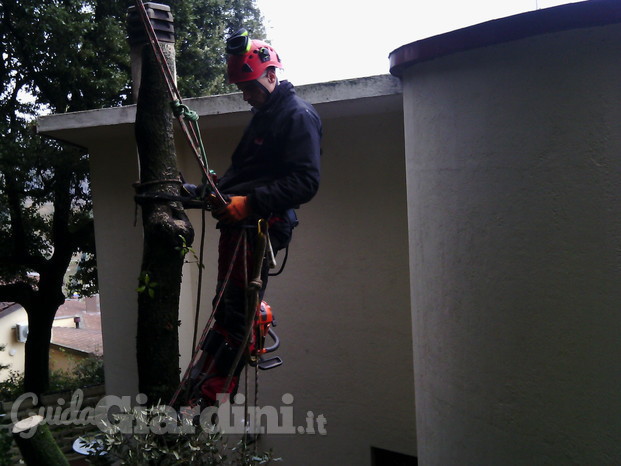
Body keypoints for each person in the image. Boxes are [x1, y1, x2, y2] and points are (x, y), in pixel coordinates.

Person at [191, 29, 322, 406]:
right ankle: (206, 377)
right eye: (242, 88)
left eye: (249, 87)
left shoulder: (297, 116)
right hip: (243, 224)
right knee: (224, 303)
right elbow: (244, 174)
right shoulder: (264, 116)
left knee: (235, 310)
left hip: (264, 226)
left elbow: (306, 182)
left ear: (270, 75)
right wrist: (209, 191)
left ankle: (213, 392)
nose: (245, 96)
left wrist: (249, 204)